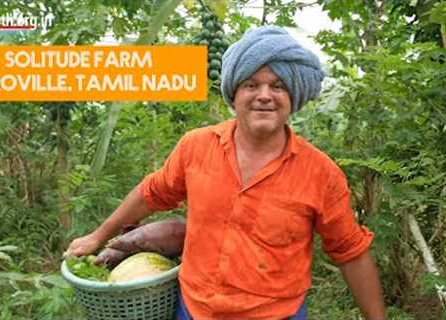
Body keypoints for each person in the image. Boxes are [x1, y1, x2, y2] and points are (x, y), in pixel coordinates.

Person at [66, 26, 386, 320]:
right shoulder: (197, 147)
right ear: (234, 94)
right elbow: (152, 194)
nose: (264, 95)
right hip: (195, 310)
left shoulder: (320, 173)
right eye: (251, 84)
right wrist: (98, 235)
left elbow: (351, 253)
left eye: (277, 86)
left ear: (293, 97)